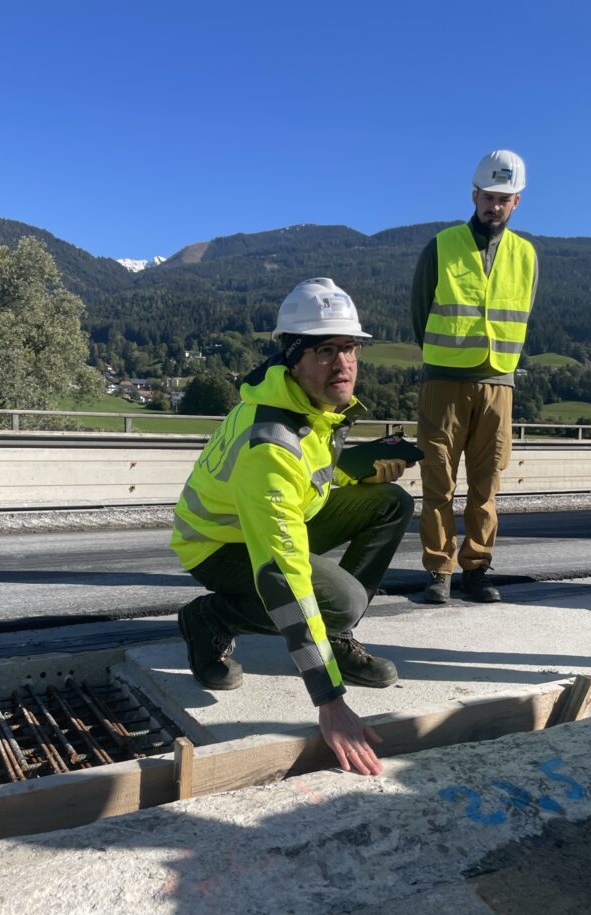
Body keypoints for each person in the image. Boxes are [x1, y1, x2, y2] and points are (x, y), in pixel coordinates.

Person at [172, 278, 414, 776]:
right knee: (342, 599)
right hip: (218, 544)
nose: (343, 363)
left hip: (267, 520)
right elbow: (282, 572)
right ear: (294, 356)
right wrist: (329, 698)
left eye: (350, 348)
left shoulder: (311, 406)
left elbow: (309, 480)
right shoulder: (270, 441)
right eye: (326, 350)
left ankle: (337, 636)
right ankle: (210, 618)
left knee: (389, 503)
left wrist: (362, 465)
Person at [411, 149, 538, 604]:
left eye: (504, 198)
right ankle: (439, 571)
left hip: (498, 382)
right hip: (443, 381)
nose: (495, 205)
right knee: (437, 481)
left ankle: (477, 570)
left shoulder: (526, 255)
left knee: (486, 484)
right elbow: (419, 309)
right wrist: (439, 359)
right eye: (488, 196)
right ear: (474, 195)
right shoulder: (442, 244)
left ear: (516, 201)